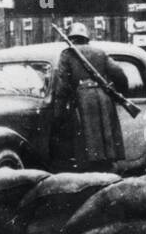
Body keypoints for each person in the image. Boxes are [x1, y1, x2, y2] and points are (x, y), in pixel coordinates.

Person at [52, 22, 129, 173]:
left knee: (86, 152)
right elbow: (120, 75)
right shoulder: (100, 52)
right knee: (106, 150)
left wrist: (58, 114)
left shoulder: (67, 55)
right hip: (104, 99)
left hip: (83, 102)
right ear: (86, 38)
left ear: (71, 38)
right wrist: (117, 94)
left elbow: (62, 88)